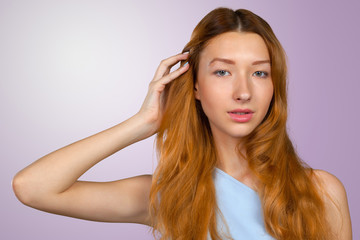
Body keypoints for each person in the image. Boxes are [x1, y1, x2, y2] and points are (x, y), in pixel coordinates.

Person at [12, 7, 352, 240]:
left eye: (260, 72)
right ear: (195, 87)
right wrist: (142, 123)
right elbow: (32, 188)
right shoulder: (168, 196)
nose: (243, 91)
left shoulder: (321, 193)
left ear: (274, 85)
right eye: (222, 71)